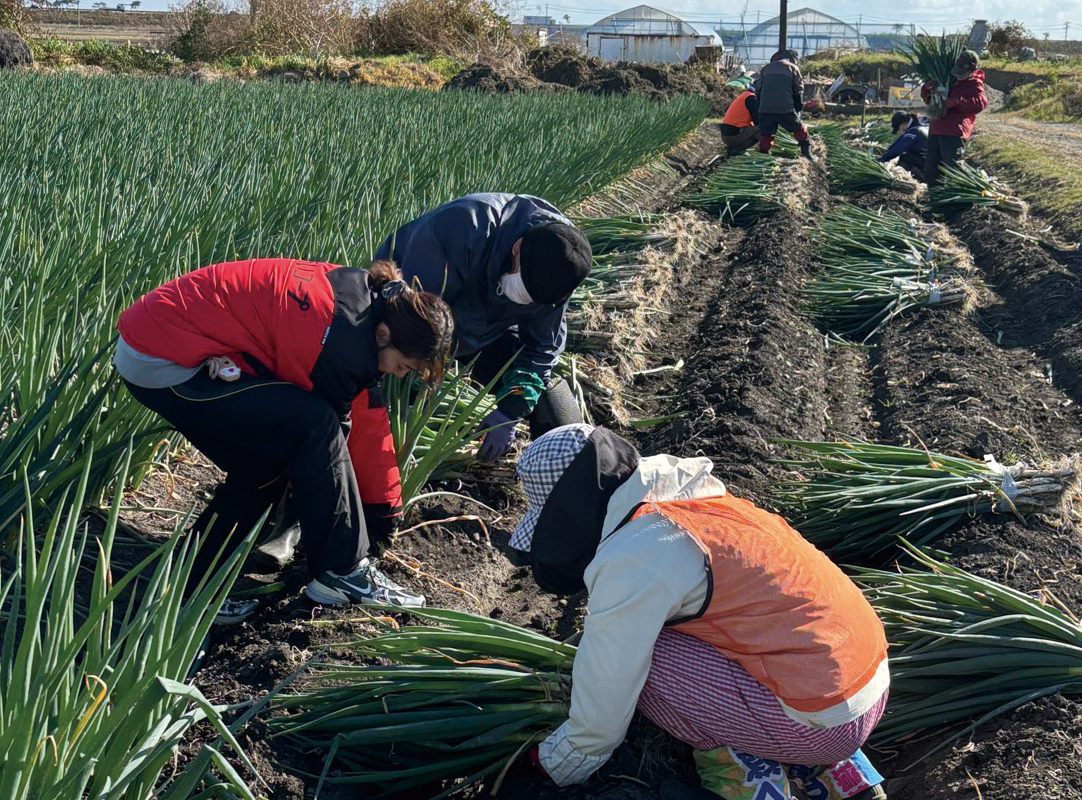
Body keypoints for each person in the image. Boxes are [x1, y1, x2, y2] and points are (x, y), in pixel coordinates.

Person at [511, 424, 890, 800]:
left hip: (820, 723)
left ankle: (744, 778)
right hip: (862, 687)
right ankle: (839, 775)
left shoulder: (639, 552)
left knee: (642, 658)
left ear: (568, 509)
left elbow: (607, 692)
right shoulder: (691, 501)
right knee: (665, 629)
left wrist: (563, 760)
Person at [115, 258, 454, 623]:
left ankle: (185, 592)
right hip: (163, 358)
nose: (397, 374)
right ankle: (343, 572)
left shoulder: (363, 300)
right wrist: (351, 528)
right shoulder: (343, 344)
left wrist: (376, 511)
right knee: (314, 427)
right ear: (384, 334)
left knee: (263, 468)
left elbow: (358, 427)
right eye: (402, 366)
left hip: (164, 336)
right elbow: (327, 439)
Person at [375, 193, 593, 463]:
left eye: (532, 298)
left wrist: (509, 411)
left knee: (547, 396)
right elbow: (413, 320)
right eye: (523, 287)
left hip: (482, 329)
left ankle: (566, 473)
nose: (523, 299)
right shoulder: (466, 228)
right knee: (394, 383)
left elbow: (541, 350)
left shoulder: (561, 271)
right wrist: (425, 385)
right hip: (410, 313)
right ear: (517, 247)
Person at [919, 49, 988, 186]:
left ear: (972, 69)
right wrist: (926, 88)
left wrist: (956, 102)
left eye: (962, 73)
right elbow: (929, 100)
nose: (959, 76)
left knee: (952, 168)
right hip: (936, 129)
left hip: (954, 131)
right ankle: (935, 201)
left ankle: (953, 204)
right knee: (931, 170)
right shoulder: (947, 79)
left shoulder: (974, 83)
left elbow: (981, 103)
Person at [753, 49, 813, 161]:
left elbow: (758, 90)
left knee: (766, 133)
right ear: (792, 59)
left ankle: (763, 157)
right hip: (785, 108)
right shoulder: (793, 68)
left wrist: (761, 107)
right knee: (798, 128)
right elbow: (798, 90)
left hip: (765, 109)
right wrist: (798, 108)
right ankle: (807, 153)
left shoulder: (766, 69)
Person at [878, 111, 929, 179]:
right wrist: (887, 151)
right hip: (929, 160)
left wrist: (882, 159)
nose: (899, 131)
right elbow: (898, 142)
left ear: (903, 123)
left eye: (898, 128)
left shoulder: (913, 132)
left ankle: (921, 179)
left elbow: (898, 149)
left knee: (904, 158)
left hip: (927, 162)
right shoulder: (916, 126)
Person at [720, 85, 760, 156]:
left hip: (727, 134)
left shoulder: (745, 95)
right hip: (733, 135)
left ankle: (736, 147)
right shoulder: (751, 98)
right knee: (764, 128)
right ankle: (738, 148)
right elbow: (758, 121)